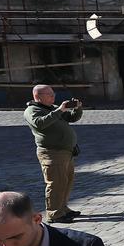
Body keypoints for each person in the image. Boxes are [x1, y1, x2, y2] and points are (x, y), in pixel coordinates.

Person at [23, 84, 83, 224]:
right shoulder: (32, 110)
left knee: (66, 182)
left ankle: (63, 208)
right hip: (51, 152)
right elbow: (40, 123)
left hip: (66, 152)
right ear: (38, 97)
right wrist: (59, 110)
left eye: (53, 93)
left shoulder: (51, 108)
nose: (53, 96)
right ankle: (54, 214)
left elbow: (72, 118)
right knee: (55, 183)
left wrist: (77, 108)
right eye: (49, 94)